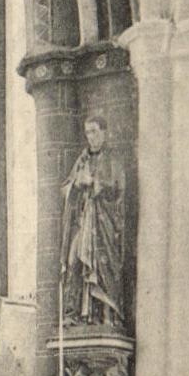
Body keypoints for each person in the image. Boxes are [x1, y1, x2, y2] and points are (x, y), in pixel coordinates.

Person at [60, 114, 125, 328]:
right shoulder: (82, 160)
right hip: (83, 221)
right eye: (88, 132)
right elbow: (66, 188)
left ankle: (105, 315)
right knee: (73, 260)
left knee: (101, 264)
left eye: (95, 131)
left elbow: (118, 190)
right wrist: (77, 184)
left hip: (103, 225)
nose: (91, 137)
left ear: (104, 133)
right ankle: (74, 314)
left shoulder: (112, 160)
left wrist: (96, 183)